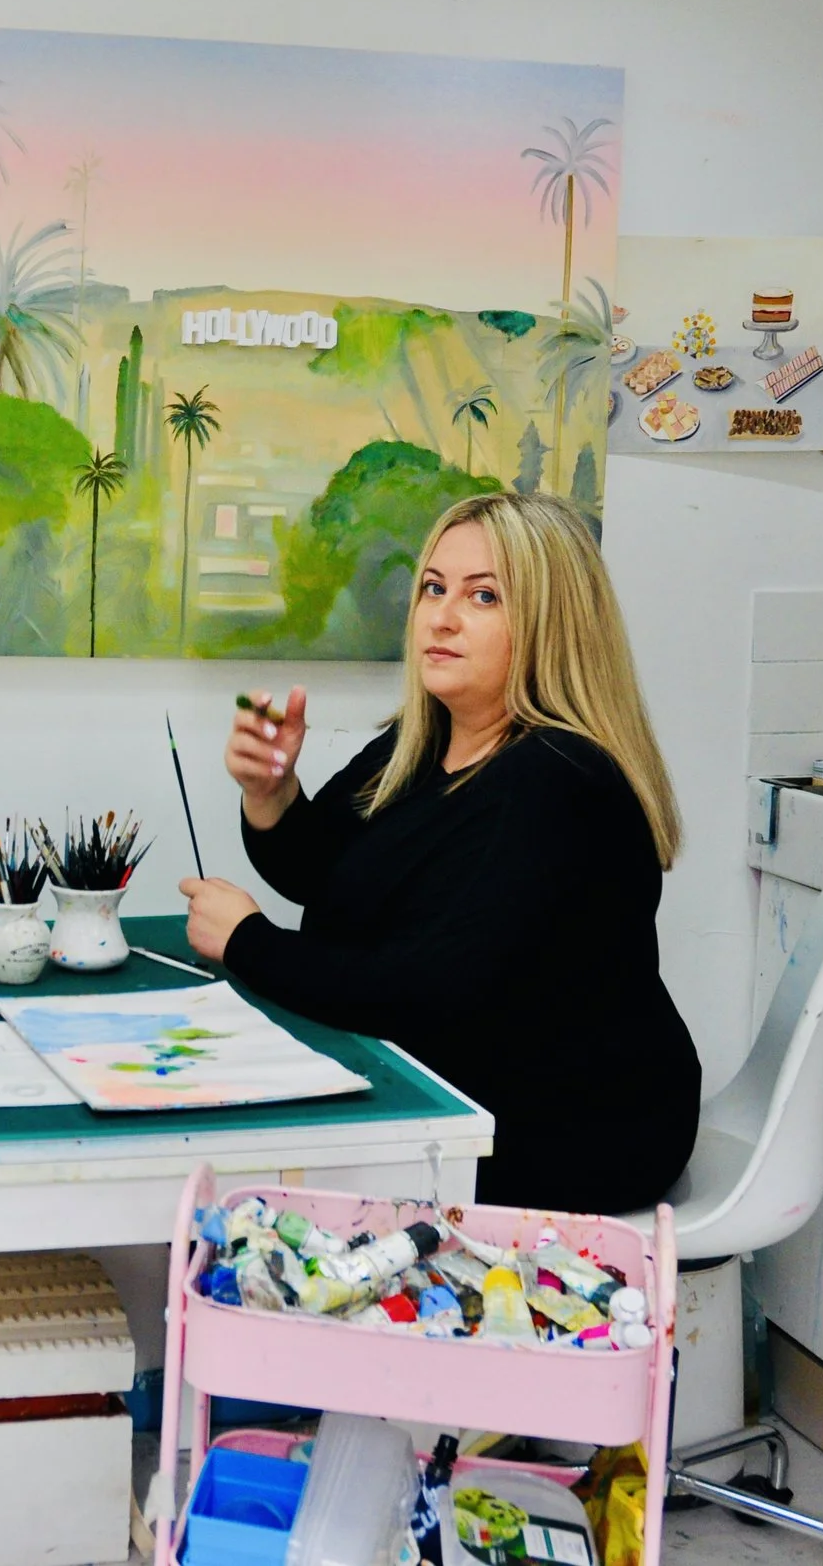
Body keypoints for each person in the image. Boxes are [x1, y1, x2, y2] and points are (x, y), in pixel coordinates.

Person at [179, 492, 699, 1215]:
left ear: (552, 623)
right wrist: (271, 792)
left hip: (566, 1134)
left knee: (237, 1172)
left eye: (484, 596)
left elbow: (427, 994)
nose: (442, 617)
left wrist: (247, 943)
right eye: (434, 588)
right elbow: (317, 870)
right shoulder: (423, 740)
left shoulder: (558, 779)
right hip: (453, 1089)